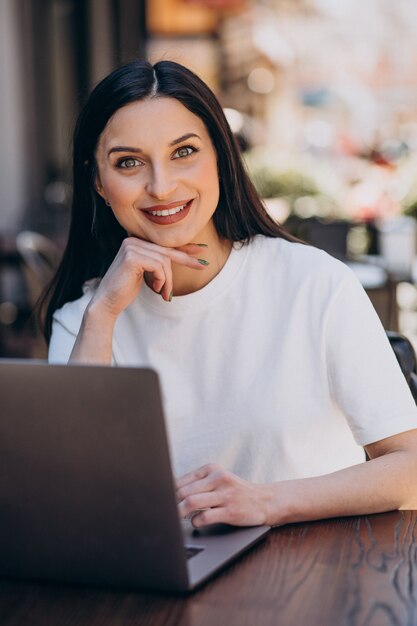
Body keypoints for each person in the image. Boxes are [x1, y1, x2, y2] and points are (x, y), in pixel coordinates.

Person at [44, 59, 417, 528]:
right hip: (160, 589)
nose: (161, 186)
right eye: (129, 162)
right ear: (98, 181)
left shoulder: (315, 284)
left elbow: (410, 470)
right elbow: (66, 501)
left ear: (220, 155)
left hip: (313, 579)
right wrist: (103, 314)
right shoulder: (85, 321)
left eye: (184, 152)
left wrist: (269, 502)